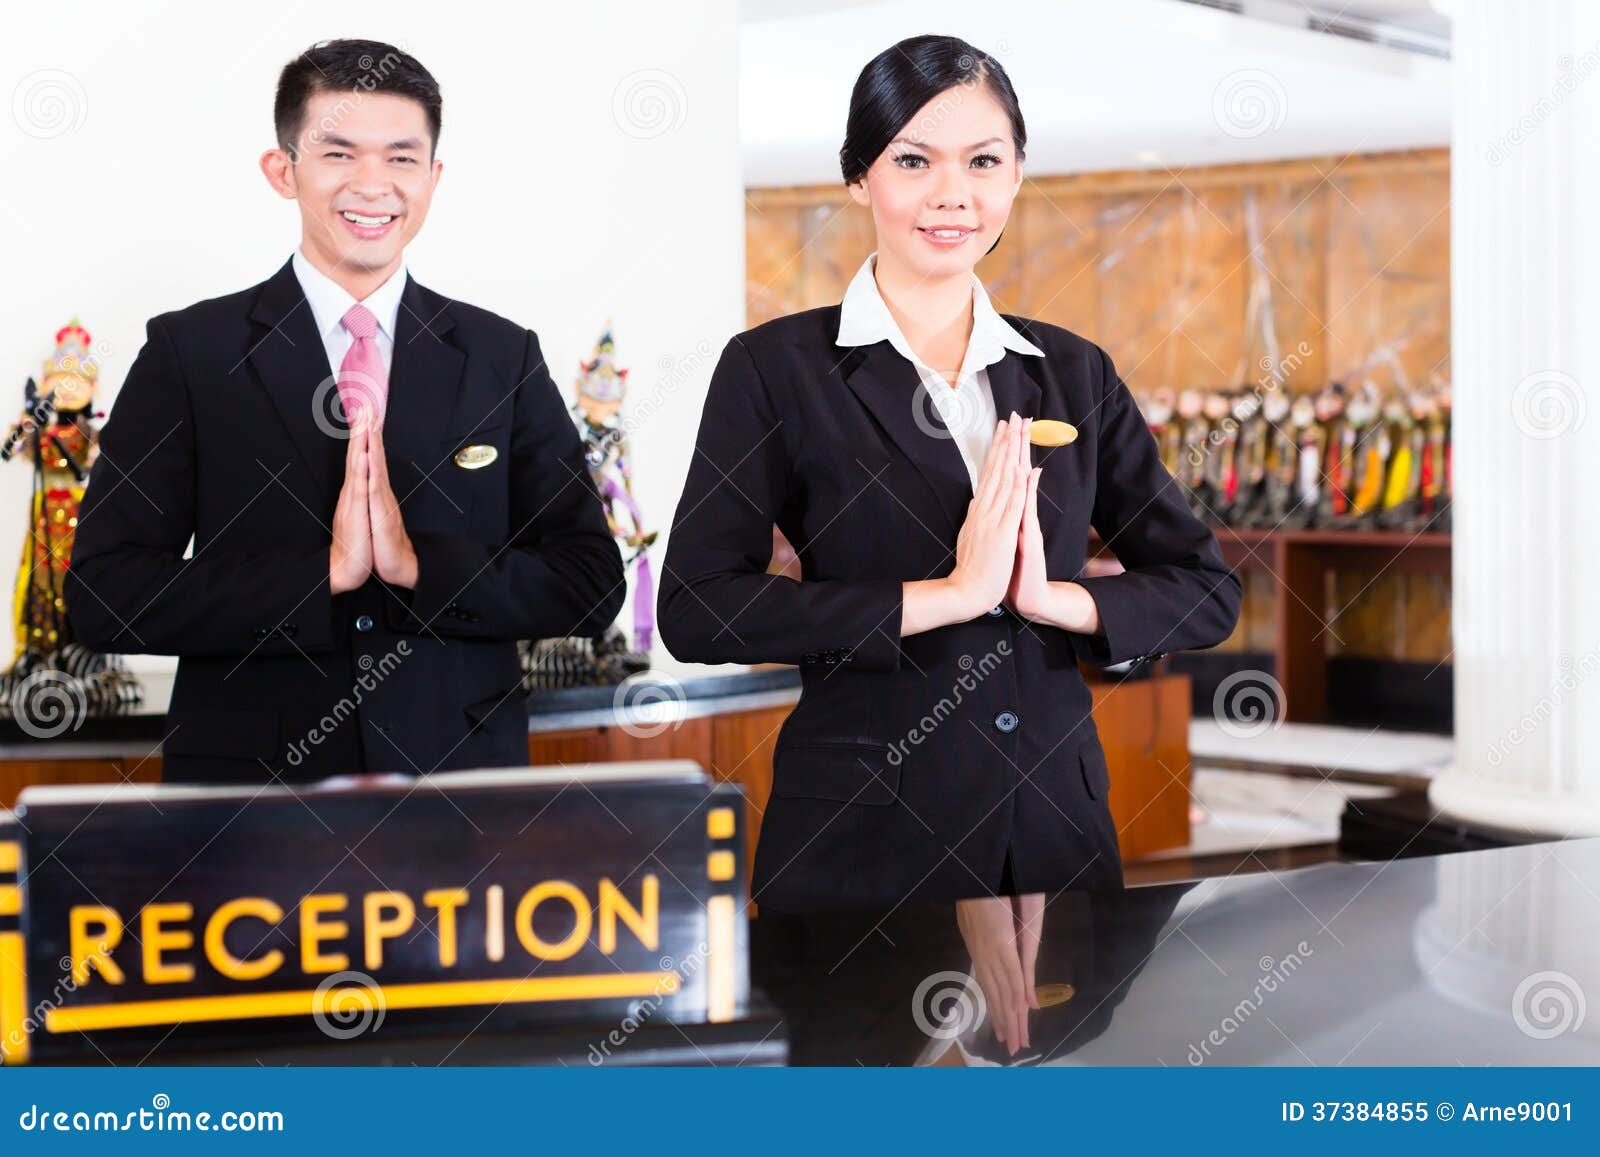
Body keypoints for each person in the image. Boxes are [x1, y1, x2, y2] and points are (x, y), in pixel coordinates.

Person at [659, 35, 1241, 912]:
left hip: (1051, 836)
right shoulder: (775, 368)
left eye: (982, 161)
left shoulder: (1073, 371)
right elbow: (698, 607)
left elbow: (1204, 589)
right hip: (861, 840)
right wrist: (947, 595)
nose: (952, 195)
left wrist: (1058, 601)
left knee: (1063, 1053)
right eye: (913, 159)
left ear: (1015, 174)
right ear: (861, 176)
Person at [65, 39, 624, 784]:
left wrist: (419, 566)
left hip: (460, 788)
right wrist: (318, 576)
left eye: (400, 158)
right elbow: (104, 595)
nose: (373, 185)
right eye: (339, 154)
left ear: (433, 176)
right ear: (283, 170)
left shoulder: (502, 356)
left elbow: (590, 581)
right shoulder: (189, 353)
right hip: (248, 798)